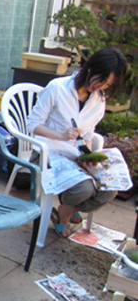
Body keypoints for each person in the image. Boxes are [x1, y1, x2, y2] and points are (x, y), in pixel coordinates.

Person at [26, 48, 127, 237]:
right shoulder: (57, 88)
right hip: (48, 152)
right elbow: (32, 124)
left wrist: (87, 155)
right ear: (91, 69)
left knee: (110, 188)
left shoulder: (98, 100)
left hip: (74, 156)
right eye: (101, 80)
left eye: (107, 84)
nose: (101, 87)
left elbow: (88, 134)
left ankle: (68, 208)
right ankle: (66, 213)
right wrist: (61, 135)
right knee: (85, 188)